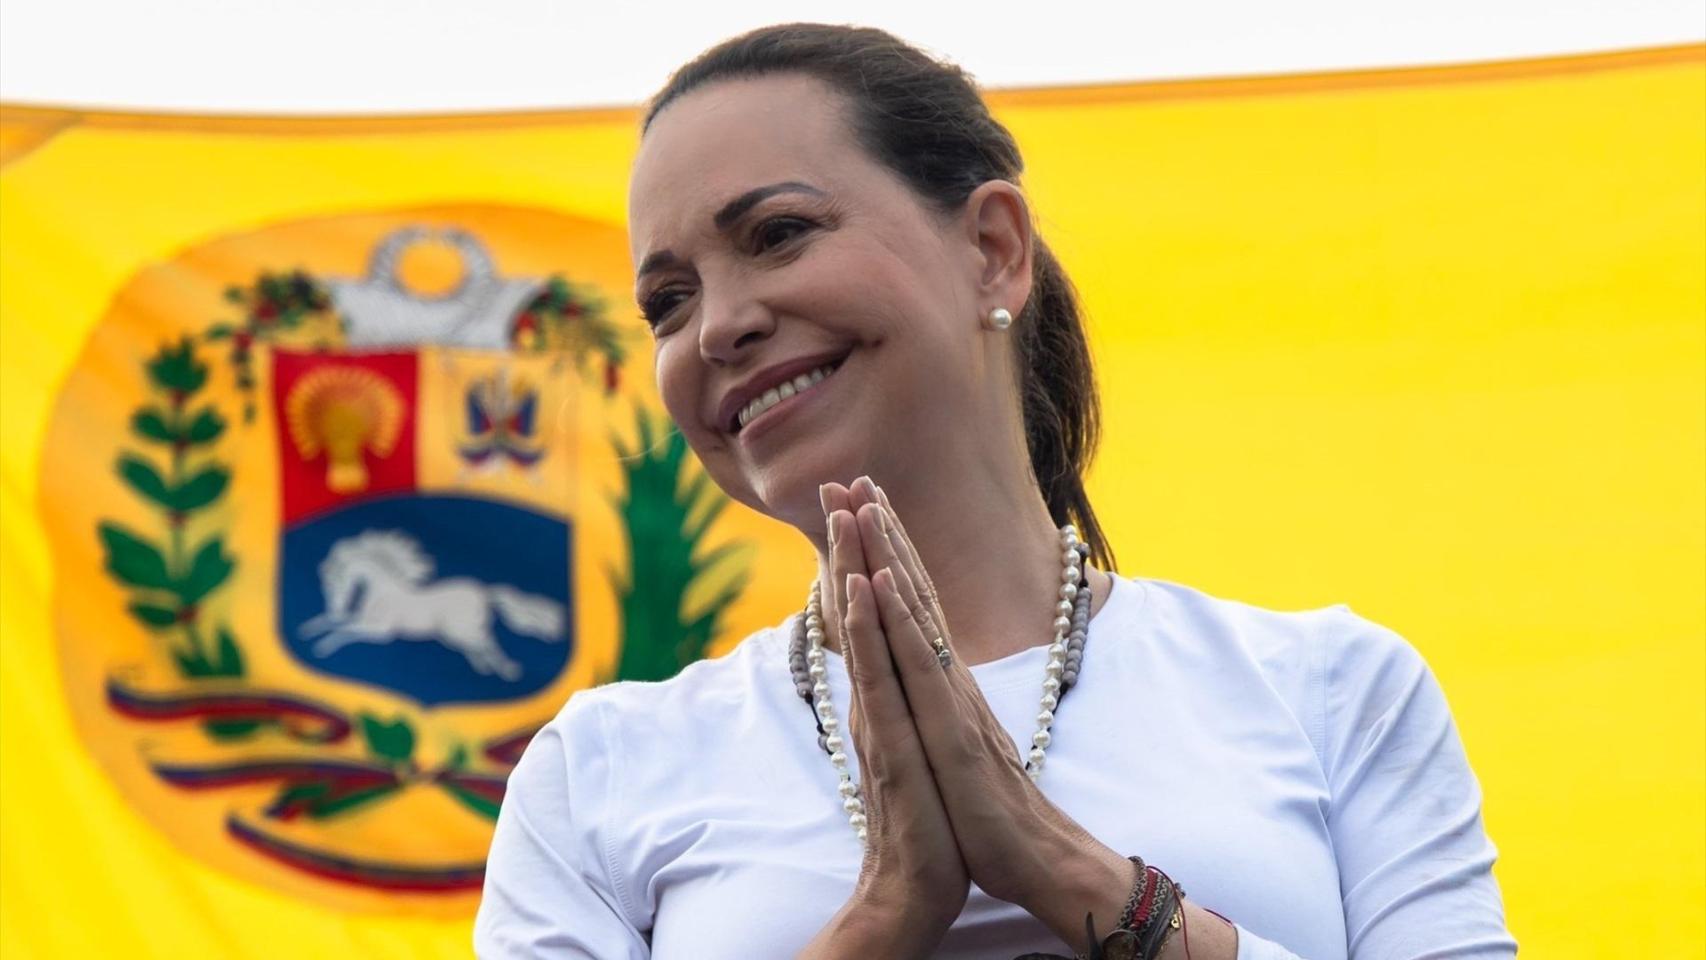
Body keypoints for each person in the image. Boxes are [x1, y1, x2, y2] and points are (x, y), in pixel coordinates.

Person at [474, 23, 1518, 960]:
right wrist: (886, 913)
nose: (718, 326)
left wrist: (1069, 873)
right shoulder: (599, 772)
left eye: (778, 234)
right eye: (667, 300)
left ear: (991, 249)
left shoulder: (1328, 691)